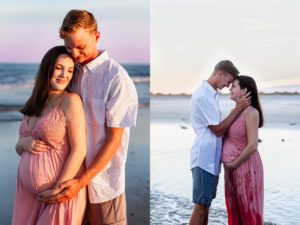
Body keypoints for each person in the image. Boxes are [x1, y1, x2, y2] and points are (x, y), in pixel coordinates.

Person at [35, 10, 138, 225]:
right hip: (69, 179)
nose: (74, 54)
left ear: (97, 36)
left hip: (103, 185)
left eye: (81, 47)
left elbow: (114, 141)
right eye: (69, 47)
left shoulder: (116, 78)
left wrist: (80, 183)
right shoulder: (72, 71)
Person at [12, 46, 87, 225]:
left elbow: (79, 150)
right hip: (27, 195)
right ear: (47, 68)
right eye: (59, 68)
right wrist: (24, 143)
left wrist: (58, 189)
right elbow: (19, 147)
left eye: (70, 70)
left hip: (59, 194)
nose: (64, 75)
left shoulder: (70, 101)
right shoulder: (35, 102)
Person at [189, 60, 251, 225]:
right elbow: (217, 129)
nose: (228, 86)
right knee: (201, 206)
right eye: (228, 81)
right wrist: (238, 108)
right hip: (203, 158)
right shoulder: (203, 95)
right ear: (220, 73)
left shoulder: (210, 94)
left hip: (211, 160)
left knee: (206, 206)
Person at [221, 75, 264, 225]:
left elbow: (252, 145)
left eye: (234, 86)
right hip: (232, 170)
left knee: (247, 211)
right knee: (234, 210)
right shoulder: (236, 111)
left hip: (246, 168)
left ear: (244, 90)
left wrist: (233, 164)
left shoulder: (252, 113)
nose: (230, 89)